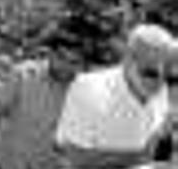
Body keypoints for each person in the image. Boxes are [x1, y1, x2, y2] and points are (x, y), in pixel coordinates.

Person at [55, 24, 174, 169]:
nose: (160, 83)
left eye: (168, 74)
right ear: (128, 60)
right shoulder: (88, 88)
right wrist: (140, 157)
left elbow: (158, 147)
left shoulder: (162, 91)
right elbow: (70, 156)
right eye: (151, 73)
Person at [0, 30, 85, 169]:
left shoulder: (80, 91)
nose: (66, 66)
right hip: (3, 162)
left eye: (74, 62)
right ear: (51, 54)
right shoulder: (24, 75)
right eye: (61, 57)